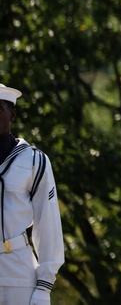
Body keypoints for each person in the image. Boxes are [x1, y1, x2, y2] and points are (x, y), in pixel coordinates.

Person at [0, 84, 64, 305]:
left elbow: (48, 223)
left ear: (12, 114)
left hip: (18, 271)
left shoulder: (34, 161)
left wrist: (44, 286)